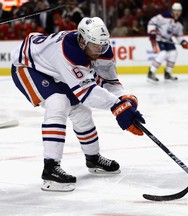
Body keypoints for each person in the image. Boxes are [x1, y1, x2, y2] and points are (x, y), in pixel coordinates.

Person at [11, 17, 145, 192]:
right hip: (27, 67)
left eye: (103, 45)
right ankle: (50, 169)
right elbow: (87, 93)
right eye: (95, 45)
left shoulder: (102, 49)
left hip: (54, 70)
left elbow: (110, 82)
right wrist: (117, 107)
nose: (99, 50)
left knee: (82, 113)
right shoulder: (68, 51)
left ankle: (93, 158)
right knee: (58, 103)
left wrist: (124, 101)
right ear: (82, 40)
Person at [146, 2, 188, 82]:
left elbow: (178, 36)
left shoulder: (180, 22)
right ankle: (151, 73)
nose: (177, 13)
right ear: (172, 10)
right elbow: (151, 22)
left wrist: (183, 42)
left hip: (168, 40)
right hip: (158, 38)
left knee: (174, 53)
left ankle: (168, 73)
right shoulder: (164, 16)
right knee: (162, 54)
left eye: (179, 11)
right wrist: (152, 32)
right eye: (175, 10)